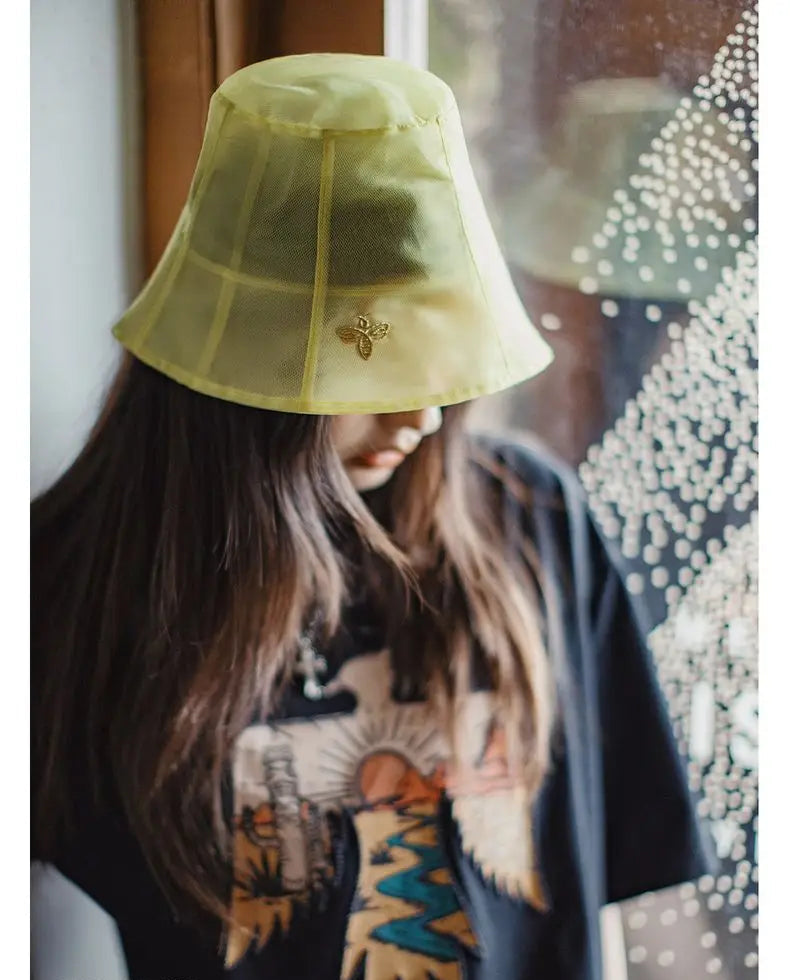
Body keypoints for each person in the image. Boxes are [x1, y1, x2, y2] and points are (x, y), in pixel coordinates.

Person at [31, 54, 713, 980]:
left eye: (434, 353)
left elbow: (607, 887)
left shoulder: (533, 519)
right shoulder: (78, 586)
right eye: (365, 362)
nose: (420, 415)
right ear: (245, 366)